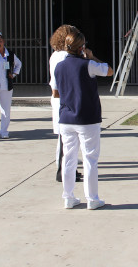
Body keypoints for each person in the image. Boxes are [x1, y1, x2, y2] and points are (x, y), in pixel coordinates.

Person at [54, 31, 113, 209]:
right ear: (81, 47)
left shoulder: (59, 66)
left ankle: (68, 196)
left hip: (66, 117)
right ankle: (92, 199)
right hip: (87, 117)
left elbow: (56, 91)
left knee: (69, 159)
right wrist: (92, 56)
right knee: (90, 159)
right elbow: (109, 71)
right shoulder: (88, 64)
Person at [49, 24, 83, 183]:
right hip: (64, 99)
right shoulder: (64, 57)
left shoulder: (55, 55)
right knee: (66, 140)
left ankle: (66, 168)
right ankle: (63, 171)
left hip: (61, 99)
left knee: (64, 139)